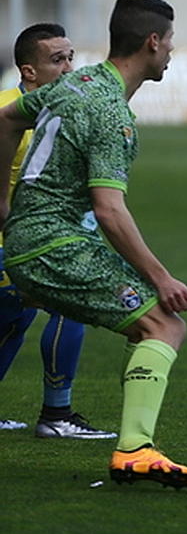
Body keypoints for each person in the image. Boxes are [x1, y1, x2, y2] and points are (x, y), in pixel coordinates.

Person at [0, 0, 187, 488]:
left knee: (144, 328)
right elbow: (109, 210)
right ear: (152, 42)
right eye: (171, 40)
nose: (173, 51)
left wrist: (4, 210)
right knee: (165, 326)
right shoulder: (112, 113)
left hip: (25, 241)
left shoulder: (79, 82)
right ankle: (134, 449)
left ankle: (105, 430)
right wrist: (162, 277)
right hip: (56, 247)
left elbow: (6, 119)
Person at [0, 25, 116, 440]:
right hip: (15, 242)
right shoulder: (7, 112)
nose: (69, 68)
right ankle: (57, 414)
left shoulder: (61, 114)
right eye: (57, 60)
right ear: (29, 71)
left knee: (15, 318)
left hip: (32, 238)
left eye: (71, 58)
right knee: (68, 305)